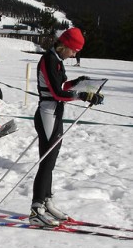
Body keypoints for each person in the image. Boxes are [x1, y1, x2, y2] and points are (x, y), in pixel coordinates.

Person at [30, 27, 104, 226]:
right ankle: (36, 208)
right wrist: (82, 95)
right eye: (73, 50)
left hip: (55, 113)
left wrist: (78, 83)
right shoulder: (49, 59)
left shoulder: (58, 61)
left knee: (51, 160)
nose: (75, 54)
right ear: (64, 45)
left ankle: (46, 201)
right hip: (47, 113)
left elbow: (62, 87)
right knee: (46, 160)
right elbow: (56, 93)